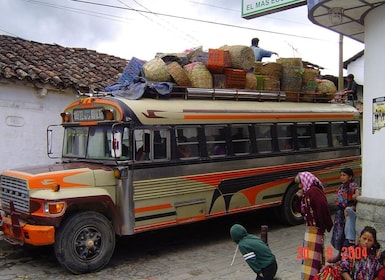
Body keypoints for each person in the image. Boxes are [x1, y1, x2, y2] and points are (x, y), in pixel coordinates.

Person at [295, 171, 333, 280]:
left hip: (315, 229)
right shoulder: (307, 193)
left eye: (300, 183)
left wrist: (322, 226)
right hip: (311, 229)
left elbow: (322, 208)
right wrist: (299, 198)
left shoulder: (314, 192)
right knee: (311, 256)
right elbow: (302, 211)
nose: (299, 186)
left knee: (312, 257)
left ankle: (312, 277)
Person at [328, 167, 359, 263]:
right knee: (339, 235)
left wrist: (352, 206)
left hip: (347, 214)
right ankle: (339, 255)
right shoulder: (341, 187)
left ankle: (346, 258)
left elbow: (356, 198)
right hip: (340, 214)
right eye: (341, 175)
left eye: (344, 175)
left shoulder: (353, 187)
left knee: (347, 236)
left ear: (350, 177)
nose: (342, 177)